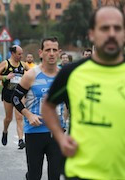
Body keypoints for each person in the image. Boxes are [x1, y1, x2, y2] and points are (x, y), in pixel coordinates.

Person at [42, 7, 125, 179]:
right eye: (104, 28)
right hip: (80, 172)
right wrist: (60, 138)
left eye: (117, 28)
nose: (111, 34)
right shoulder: (72, 73)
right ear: (92, 34)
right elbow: (48, 106)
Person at [11, 37, 65, 180]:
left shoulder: (63, 76)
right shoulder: (31, 75)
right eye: (48, 50)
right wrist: (28, 115)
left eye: (54, 50)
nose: (51, 53)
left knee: (55, 176)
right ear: (41, 53)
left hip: (56, 133)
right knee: (34, 175)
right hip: (35, 132)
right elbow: (15, 98)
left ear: (59, 52)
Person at [0, 45, 29, 149]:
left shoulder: (23, 64)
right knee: (9, 118)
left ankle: (20, 140)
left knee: (19, 117)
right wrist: (5, 77)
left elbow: (33, 73)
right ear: (13, 54)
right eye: (19, 54)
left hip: (19, 94)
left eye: (22, 54)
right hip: (8, 93)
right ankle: (5, 131)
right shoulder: (5, 63)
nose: (21, 56)